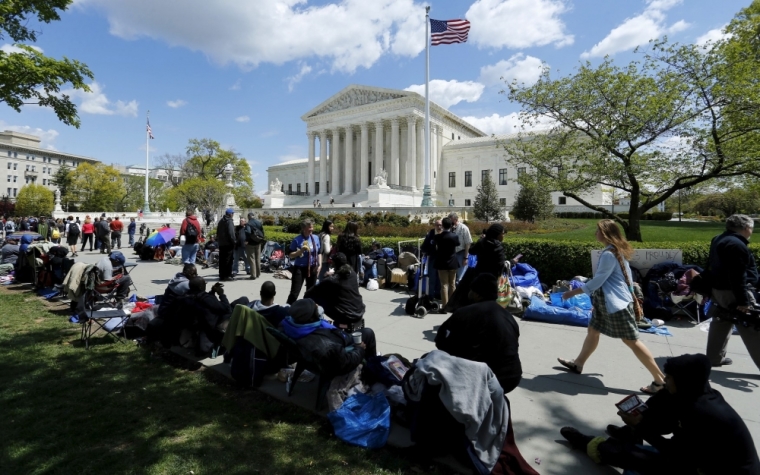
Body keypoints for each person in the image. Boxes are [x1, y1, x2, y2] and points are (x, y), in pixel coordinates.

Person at [560, 354, 760, 475]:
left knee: (629, 455)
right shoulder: (699, 392)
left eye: (669, 377)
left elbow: (675, 453)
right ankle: (629, 435)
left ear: (683, 381)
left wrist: (640, 426)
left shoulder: (700, 413)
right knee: (663, 401)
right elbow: (664, 401)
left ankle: (588, 443)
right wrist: (638, 419)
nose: (664, 380)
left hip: (709, 470)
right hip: (702, 458)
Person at [558, 220, 665, 394]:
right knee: (593, 331)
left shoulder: (609, 254)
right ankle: (578, 364)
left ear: (606, 234)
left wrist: (572, 292)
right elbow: (626, 277)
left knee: (631, 340)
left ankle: (660, 381)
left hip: (616, 304)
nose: (596, 234)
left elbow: (598, 280)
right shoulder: (615, 251)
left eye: (598, 231)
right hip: (606, 302)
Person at [435, 274, 522, 393]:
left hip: (485, 377)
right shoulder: (509, 317)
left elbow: (441, 342)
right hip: (512, 376)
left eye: (471, 290)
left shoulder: (465, 313)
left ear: (476, 294)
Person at [703, 214, 760, 370]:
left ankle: (714, 358)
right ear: (746, 228)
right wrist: (743, 301)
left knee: (721, 322)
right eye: (752, 229)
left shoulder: (719, 239)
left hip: (719, 290)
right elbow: (737, 276)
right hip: (734, 292)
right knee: (751, 326)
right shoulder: (736, 245)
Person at [280, 298, 376, 376]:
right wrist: (359, 349)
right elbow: (343, 363)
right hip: (334, 358)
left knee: (365, 332)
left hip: (312, 359)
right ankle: (373, 371)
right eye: (315, 308)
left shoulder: (290, 325)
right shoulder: (324, 343)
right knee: (368, 333)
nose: (318, 308)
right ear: (311, 317)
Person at [445, 223, 507, 312]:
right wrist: (511, 262)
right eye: (503, 233)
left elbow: (472, 251)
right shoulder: (498, 247)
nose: (503, 236)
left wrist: (481, 240)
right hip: (491, 279)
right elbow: (500, 266)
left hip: (478, 275)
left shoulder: (482, 242)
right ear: (497, 234)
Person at [184, 276, 249, 351]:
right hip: (217, 324)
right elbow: (227, 309)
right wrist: (221, 294)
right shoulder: (206, 299)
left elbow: (210, 304)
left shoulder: (187, 296)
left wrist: (212, 291)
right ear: (201, 287)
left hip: (203, 322)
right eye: (204, 284)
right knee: (243, 300)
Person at [305, 252, 365, 330]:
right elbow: (341, 275)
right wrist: (332, 274)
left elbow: (312, 291)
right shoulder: (352, 273)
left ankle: (313, 321)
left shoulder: (332, 280)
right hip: (359, 311)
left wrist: (325, 277)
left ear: (334, 263)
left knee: (314, 297)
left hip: (346, 315)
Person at [286, 219, 320, 304]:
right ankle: (288, 310)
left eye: (312, 227)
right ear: (304, 229)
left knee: (311, 293)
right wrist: (300, 251)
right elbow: (290, 255)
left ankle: (308, 311)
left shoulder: (316, 238)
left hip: (312, 267)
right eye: (309, 228)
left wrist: (319, 265)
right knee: (294, 293)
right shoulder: (297, 240)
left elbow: (319, 252)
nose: (311, 229)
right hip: (299, 268)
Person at [433, 217, 460, 311]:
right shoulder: (454, 236)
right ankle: (452, 305)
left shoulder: (438, 237)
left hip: (442, 263)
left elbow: (435, 243)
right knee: (452, 284)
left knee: (444, 284)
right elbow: (457, 244)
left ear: (443, 225)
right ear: (451, 225)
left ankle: (444, 306)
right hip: (452, 262)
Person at [420, 218, 443, 300]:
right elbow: (424, 246)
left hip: (441, 260)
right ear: (434, 226)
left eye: (440, 225)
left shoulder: (445, 234)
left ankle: (438, 294)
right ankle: (430, 295)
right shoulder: (431, 234)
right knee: (432, 278)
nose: (439, 226)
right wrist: (428, 251)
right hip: (432, 259)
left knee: (440, 279)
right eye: (437, 225)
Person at [449, 212, 472, 285]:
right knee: (452, 277)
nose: (450, 222)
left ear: (455, 220)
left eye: (451, 220)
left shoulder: (463, 228)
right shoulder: (449, 228)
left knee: (460, 276)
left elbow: (468, 243)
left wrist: (465, 257)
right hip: (451, 254)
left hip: (461, 253)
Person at [216, 208, 237, 281]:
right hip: (228, 244)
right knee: (228, 260)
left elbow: (217, 232)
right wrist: (234, 242)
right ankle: (227, 275)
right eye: (233, 213)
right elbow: (231, 234)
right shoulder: (229, 221)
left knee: (222, 260)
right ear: (230, 214)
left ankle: (222, 275)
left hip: (221, 244)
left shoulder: (221, 221)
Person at [244, 212, 265, 280]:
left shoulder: (248, 224)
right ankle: (258, 273)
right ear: (253, 216)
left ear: (249, 217)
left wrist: (247, 240)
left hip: (251, 244)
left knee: (252, 259)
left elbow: (248, 232)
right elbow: (262, 232)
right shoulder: (259, 222)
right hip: (258, 243)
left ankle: (253, 275)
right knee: (258, 258)